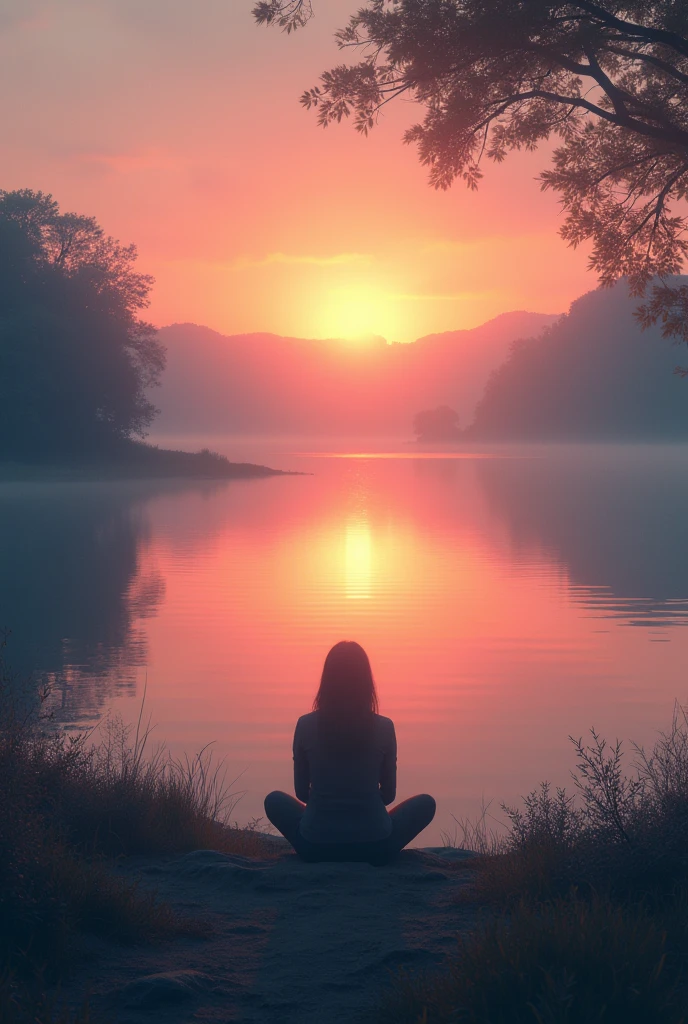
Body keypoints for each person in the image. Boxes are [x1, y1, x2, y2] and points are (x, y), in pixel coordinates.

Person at [264, 640, 436, 865]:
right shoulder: (385, 727)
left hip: (315, 848)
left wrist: (327, 801)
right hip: (376, 848)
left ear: (326, 681)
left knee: (274, 801)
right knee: (426, 804)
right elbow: (389, 796)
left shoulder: (305, 725)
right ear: (367, 683)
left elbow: (302, 793)